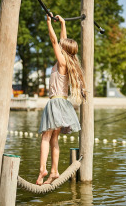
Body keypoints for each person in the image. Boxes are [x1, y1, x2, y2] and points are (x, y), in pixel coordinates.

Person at [36, 14, 86, 185]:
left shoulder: (62, 61)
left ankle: (43, 168)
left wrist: (49, 23)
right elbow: (62, 40)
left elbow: (54, 41)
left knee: (45, 137)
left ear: (64, 50)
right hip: (63, 103)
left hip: (55, 102)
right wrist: (63, 24)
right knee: (54, 139)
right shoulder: (68, 61)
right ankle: (54, 171)